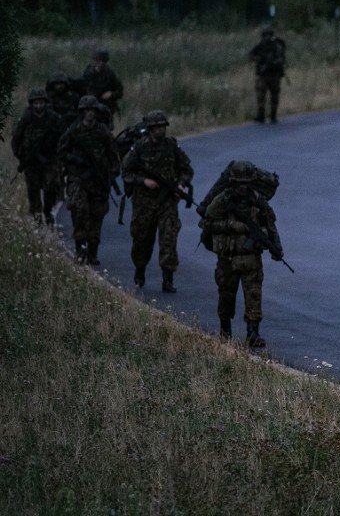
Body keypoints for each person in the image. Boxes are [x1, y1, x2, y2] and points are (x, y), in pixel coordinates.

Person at [199, 161, 284, 347]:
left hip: (251, 259)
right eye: (239, 183)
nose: (242, 188)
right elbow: (206, 224)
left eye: (246, 183)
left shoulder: (258, 201)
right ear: (232, 182)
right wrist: (230, 226)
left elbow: (270, 225)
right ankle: (225, 330)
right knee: (226, 295)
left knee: (254, 294)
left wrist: (277, 248)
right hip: (228, 258)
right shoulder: (222, 200)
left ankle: (253, 333)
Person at [121, 110, 194, 293]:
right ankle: (139, 272)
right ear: (150, 129)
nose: (161, 130)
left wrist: (181, 185)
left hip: (167, 201)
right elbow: (126, 172)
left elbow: (186, 169)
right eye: (157, 127)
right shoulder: (139, 148)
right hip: (144, 201)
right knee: (142, 239)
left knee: (169, 239)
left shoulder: (172, 147)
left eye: (163, 126)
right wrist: (143, 181)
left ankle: (167, 279)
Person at [57, 95, 120, 265]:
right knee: (79, 210)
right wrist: (75, 161)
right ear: (82, 112)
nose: (89, 114)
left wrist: (111, 176)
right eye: (86, 111)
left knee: (97, 215)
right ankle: (79, 249)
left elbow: (114, 156)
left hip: (97, 181)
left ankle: (92, 252)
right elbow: (61, 152)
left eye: (92, 110)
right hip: (78, 178)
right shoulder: (74, 131)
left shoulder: (103, 132)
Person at [11, 88, 64, 226]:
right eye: (36, 103)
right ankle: (37, 219)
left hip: (50, 160)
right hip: (32, 162)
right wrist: (21, 157)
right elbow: (16, 139)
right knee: (33, 191)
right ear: (32, 104)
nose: (39, 105)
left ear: (45, 103)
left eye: (41, 102)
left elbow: (63, 138)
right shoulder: (26, 119)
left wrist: (58, 156)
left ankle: (48, 211)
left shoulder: (53, 118)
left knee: (51, 188)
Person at [248, 26, 287, 123]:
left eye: (268, 35)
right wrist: (259, 59)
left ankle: (273, 115)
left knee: (274, 95)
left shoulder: (277, 46)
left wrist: (274, 63)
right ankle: (261, 115)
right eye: (265, 35)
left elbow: (281, 59)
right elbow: (251, 55)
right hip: (263, 74)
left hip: (274, 74)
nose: (267, 38)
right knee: (260, 94)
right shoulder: (260, 46)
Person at [80, 49, 123, 129]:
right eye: (98, 61)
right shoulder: (88, 74)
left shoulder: (110, 74)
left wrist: (111, 94)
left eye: (103, 61)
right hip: (89, 107)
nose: (100, 63)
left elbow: (119, 91)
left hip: (105, 109)